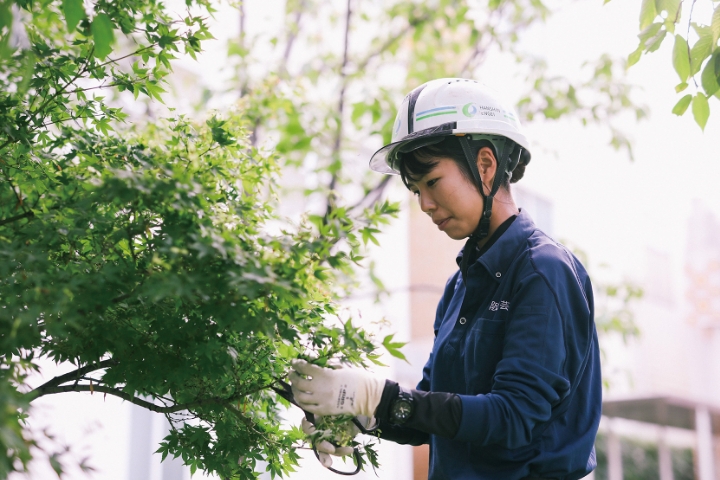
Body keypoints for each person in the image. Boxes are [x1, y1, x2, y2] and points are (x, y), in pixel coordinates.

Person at [289, 78, 601, 480]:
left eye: (432, 182)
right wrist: (361, 415)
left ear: (485, 166)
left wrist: (378, 397)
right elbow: (433, 415)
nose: (425, 204)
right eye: (416, 190)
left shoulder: (543, 272)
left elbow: (513, 416)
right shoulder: (460, 287)